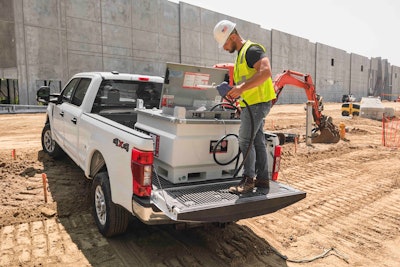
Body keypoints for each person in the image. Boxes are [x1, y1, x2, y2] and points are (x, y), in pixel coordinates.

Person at [213, 20, 276, 194]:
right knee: (257, 141)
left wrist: (240, 89)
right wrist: (240, 99)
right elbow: (248, 84)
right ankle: (262, 180)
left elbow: (266, 72)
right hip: (251, 104)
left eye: (225, 43)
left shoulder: (252, 50)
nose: (225, 48)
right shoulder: (241, 55)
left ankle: (248, 181)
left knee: (245, 140)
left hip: (258, 103)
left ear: (233, 37)